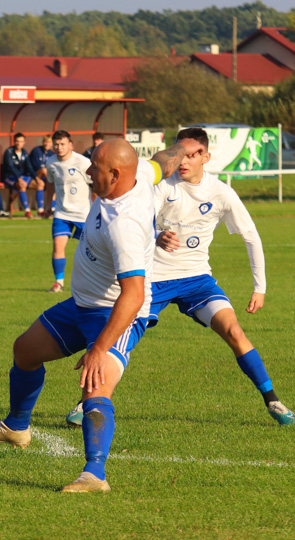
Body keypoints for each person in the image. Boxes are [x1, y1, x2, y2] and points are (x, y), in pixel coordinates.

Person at [0, 138, 195, 492]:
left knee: (95, 388)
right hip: (81, 305)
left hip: (116, 314)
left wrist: (99, 349)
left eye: (95, 168)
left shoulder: (125, 225)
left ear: (116, 174)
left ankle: (94, 474)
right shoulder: (140, 178)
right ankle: (16, 427)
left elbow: (133, 295)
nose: (88, 172)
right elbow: (162, 160)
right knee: (25, 351)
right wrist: (182, 148)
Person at [65, 127, 294, 428]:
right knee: (119, 341)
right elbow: (139, 219)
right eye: (180, 153)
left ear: (206, 157)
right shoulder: (162, 187)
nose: (184, 160)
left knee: (234, 332)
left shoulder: (221, 192)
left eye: (193, 154)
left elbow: (251, 236)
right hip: (153, 281)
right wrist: (158, 234)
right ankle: (87, 402)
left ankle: (273, 400)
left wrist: (259, 287)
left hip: (196, 280)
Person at [45, 130, 93, 293]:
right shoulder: (51, 162)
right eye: (56, 144)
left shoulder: (83, 162)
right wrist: (46, 205)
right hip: (61, 212)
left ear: (70, 145)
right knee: (58, 245)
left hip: (83, 213)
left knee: (89, 250)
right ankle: (59, 283)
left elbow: (95, 184)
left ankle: (90, 283)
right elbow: (50, 184)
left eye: (63, 144)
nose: (59, 147)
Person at [2, 133, 33, 219]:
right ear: (14, 142)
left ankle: (42, 210)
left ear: (24, 142)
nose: (19, 143)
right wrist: (19, 179)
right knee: (22, 185)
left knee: (40, 184)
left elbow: (29, 167)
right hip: (9, 177)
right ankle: (27, 211)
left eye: (21, 141)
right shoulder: (8, 152)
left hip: (21, 177)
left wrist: (37, 178)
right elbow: (11, 167)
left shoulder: (24, 152)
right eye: (17, 141)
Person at [27, 135, 55, 217]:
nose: (47, 144)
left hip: (45, 178)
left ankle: (43, 210)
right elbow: (36, 166)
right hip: (35, 175)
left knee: (42, 184)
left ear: (52, 144)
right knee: (44, 171)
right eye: (45, 142)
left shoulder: (52, 154)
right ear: (43, 142)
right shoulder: (36, 151)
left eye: (49, 142)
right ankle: (53, 183)